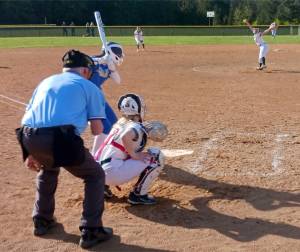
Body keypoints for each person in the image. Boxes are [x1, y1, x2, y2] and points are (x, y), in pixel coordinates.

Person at [15, 49, 113, 249]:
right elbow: (97, 130)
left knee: (48, 168)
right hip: (60, 139)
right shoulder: (89, 87)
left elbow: (30, 117)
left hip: (27, 135)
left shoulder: (46, 81)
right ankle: (91, 230)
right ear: (86, 70)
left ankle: (42, 220)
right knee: (95, 175)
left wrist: (30, 152)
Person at [94, 93, 168, 205]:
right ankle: (138, 195)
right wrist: (134, 155)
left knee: (116, 153)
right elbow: (126, 136)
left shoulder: (119, 123)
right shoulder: (134, 126)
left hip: (98, 174)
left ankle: (102, 188)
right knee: (157, 156)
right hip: (112, 173)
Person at [89, 42, 125, 158]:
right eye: (119, 53)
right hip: (87, 99)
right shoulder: (93, 61)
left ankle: (106, 150)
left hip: (98, 98)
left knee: (114, 123)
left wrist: (112, 69)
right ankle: (95, 156)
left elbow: (118, 81)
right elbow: (85, 62)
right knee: (105, 127)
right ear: (111, 52)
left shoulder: (110, 66)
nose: (120, 56)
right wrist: (100, 60)